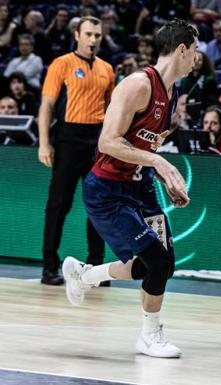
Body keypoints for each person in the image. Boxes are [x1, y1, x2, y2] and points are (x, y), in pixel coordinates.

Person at [62, 18, 197, 358]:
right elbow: (108, 142)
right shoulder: (138, 84)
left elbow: (146, 148)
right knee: (156, 260)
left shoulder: (174, 92)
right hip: (107, 190)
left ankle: (84, 275)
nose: (197, 58)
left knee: (162, 265)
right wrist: (160, 163)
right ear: (181, 50)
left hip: (141, 185)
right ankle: (150, 336)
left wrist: (164, 179)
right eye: (195, 51)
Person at [38, 16, 115, 286]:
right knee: (59, 204)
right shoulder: (61, 64)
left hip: (97, 142)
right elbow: (47, 106)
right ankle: (49, 266)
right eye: (89, 34)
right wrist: (44, 142)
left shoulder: (107, 68)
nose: (93, 39)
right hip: (68, 139)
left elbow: (112, 111)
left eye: (97, 35)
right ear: (76, 35)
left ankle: (95, 270)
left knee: (98, 206)